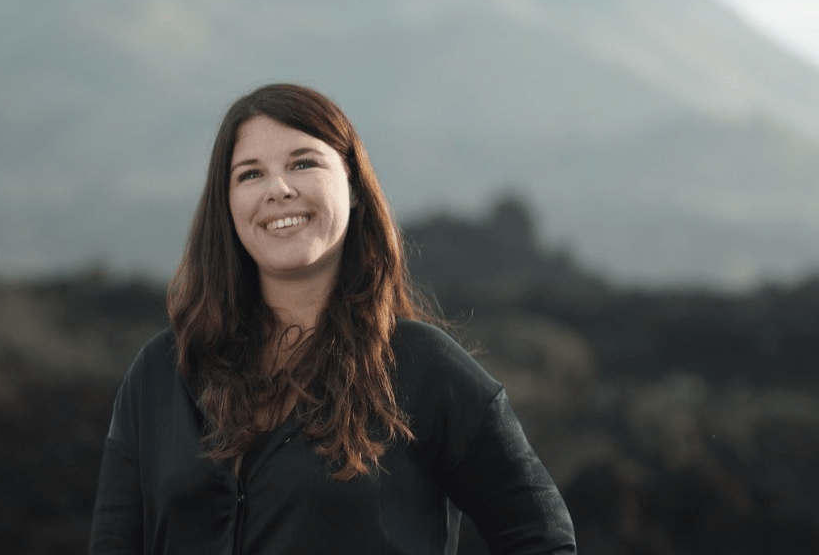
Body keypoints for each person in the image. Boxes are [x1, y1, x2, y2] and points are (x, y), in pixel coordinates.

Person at [89, 83, 576, 554]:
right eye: (250, 174)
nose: (278, 189)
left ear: (354, 186)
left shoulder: (425, 369)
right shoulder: (160, 374)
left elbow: (540, 536)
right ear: (227, 206)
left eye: (303, 163)